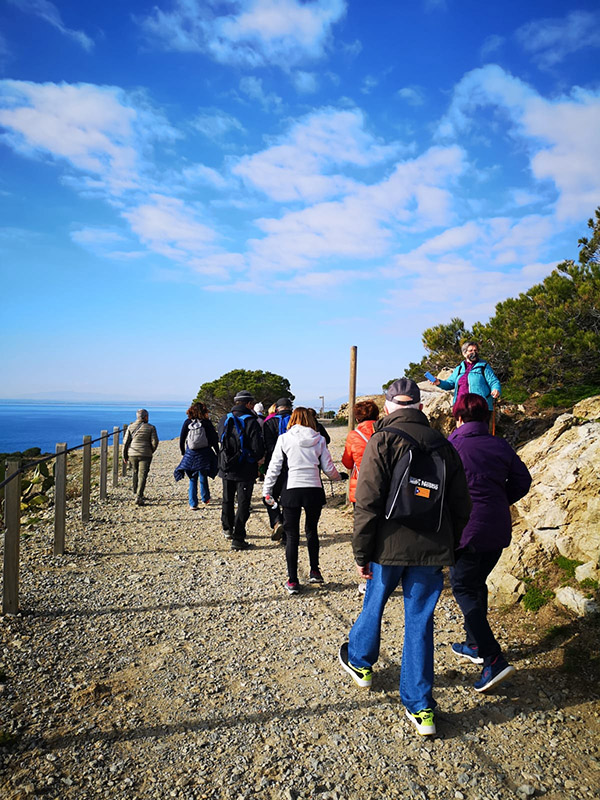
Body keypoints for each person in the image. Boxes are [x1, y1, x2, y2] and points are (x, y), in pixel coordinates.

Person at [339, 378, 471, 737]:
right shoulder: (444, 444)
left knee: (374, 603)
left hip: (388, 547)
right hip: (432, 548)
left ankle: (361, 663)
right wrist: (450, 546)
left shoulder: (382, 440)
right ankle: (421, 707)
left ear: (387, 407)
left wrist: (361, 552)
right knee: (420, 622)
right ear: (420, 406)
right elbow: (462, 505)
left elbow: (367, 502)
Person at [448, 393, 531, 692]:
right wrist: (498, 500)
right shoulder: (499, 444)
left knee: (463, 587)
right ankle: (474, 643)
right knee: (476, 583)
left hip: (466, 530)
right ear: (485, 417)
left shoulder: (453, 445)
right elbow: (523, 481)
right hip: (496, 527)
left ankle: (492, 657)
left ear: (459, 418)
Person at [263, 406, 345, 594]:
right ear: (310, 420)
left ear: (292, 420)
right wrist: (339, 477)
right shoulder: (320, 439)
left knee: (292, 535)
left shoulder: (284, 439)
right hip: (314, 489)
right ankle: (315, 571)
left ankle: (292, 580)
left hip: (292, 489)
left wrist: (267, 490)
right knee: (311, 530)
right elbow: (328, 468)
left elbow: (274, 467)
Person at [217, 390, 265, 551]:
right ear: (249, 404)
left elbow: (220, 439)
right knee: (243, 502)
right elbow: (258, 448)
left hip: (226, 466)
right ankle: (238, 537)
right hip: (245, 468)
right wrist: (257, 459)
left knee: (227, 499)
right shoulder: (251, 421)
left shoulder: (224, 419)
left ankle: (227, 528)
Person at [428, 341, 501, 410]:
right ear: (464, 353)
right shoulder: (459, 369)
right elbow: (450, 384)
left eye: (475, 350)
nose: (474, 353)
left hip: (480, 406)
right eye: (471, 351)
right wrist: (439, 382)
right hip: (461, 407)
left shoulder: (484, 366)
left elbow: (494, 381)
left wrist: (496, 389)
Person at [174, 402, 219, 509]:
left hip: (190, 453)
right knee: (203, 476)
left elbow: (182, 439)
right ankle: (205, 498)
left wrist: (184, 452)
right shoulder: (206, 423)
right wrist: (218, 452)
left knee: (192, 478)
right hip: (204, 453)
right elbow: (213, 439)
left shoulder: (187, 422)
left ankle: (193, 503)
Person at [262, 397, 294, 543]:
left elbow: (266, 445)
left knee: (270, 496)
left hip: (274, 465)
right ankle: (287, 535)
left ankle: (276, 520)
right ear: (290, 407)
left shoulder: (269, 422)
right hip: (293, 465)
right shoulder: (296, 421)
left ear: (277, 408)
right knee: (288, 499)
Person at [342, 400, 380, 505]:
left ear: (357, 418)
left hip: (361, 486)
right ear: (377, 416)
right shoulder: (386, 433)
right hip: (384, 485)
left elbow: (347, 463)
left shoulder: (354, 436)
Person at [122, 409, 159, 506]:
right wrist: (150, 450)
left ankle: (136, 492)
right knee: (142, 475)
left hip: (132, 453)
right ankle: (139, 496)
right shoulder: (151, 427)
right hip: (145, 454)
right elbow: (155, 442)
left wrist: (124, 455)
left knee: (135, 472)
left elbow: (125, 442)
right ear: (146, 417)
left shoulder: (130, 427)